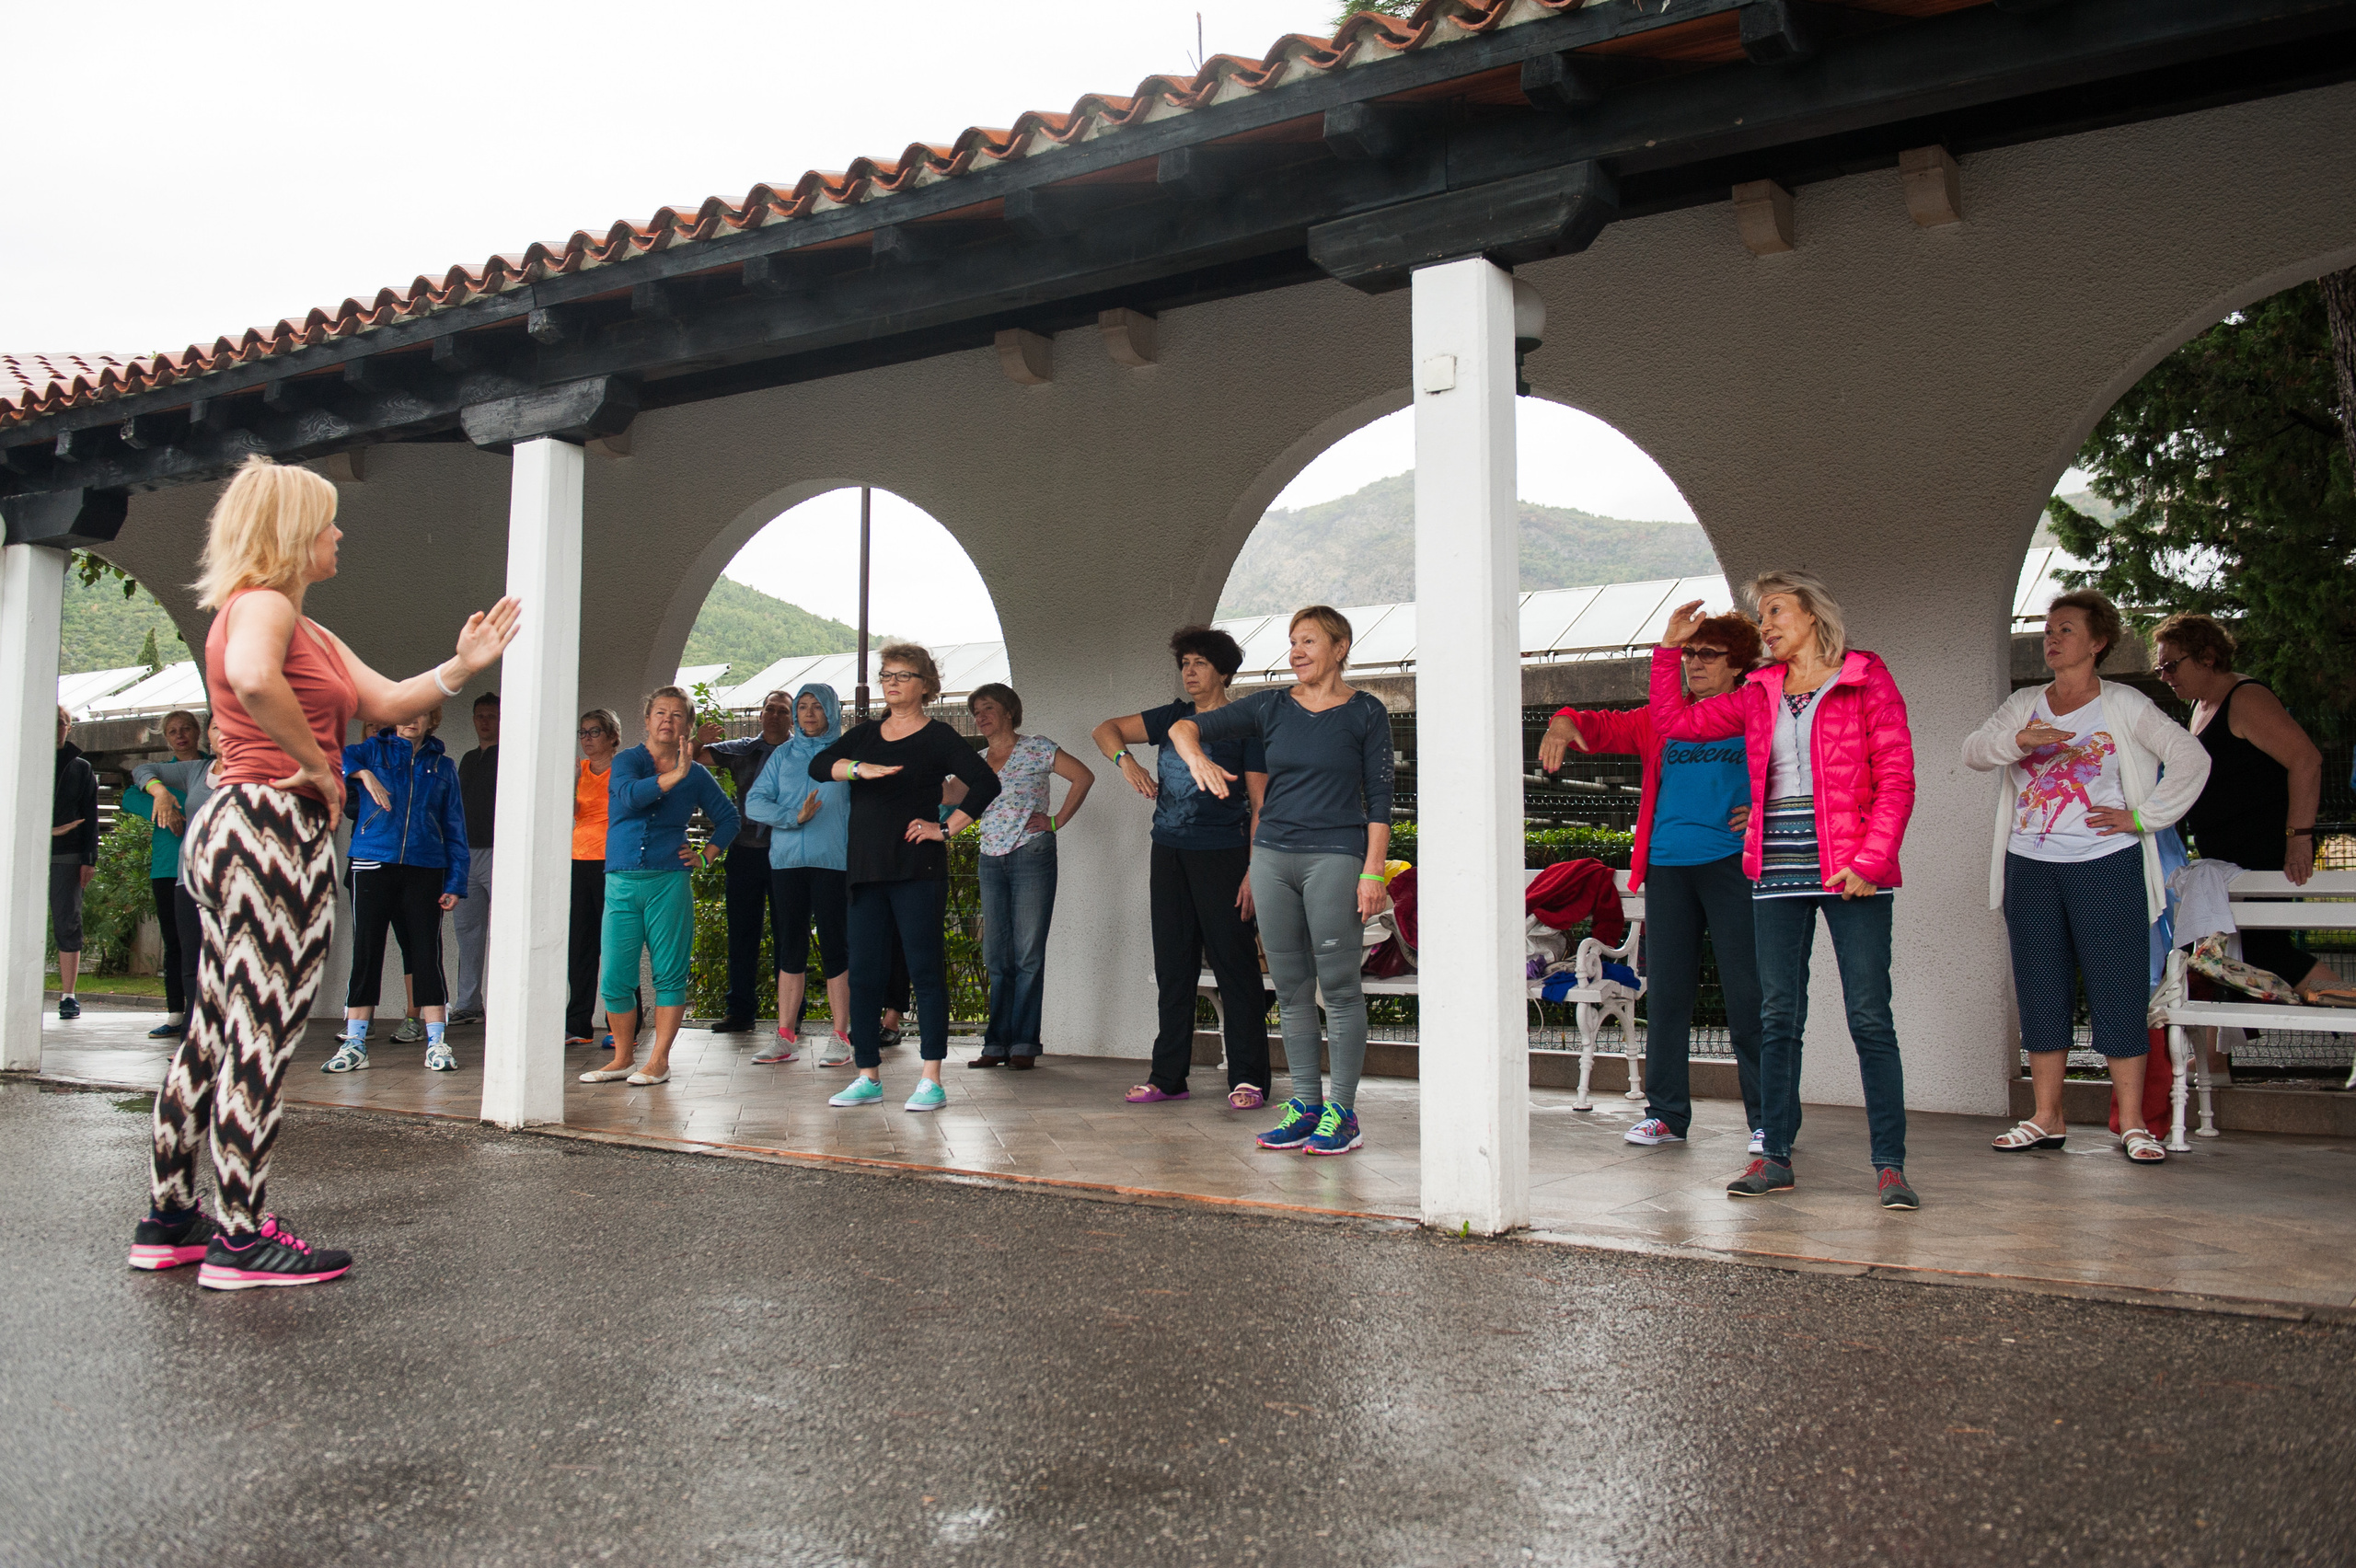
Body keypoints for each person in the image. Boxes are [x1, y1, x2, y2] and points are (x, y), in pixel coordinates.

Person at [133, 455, 518, 1288]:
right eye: (328, 520)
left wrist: (462, 665)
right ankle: (241, 1238)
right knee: (261, 1032)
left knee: (215, 1025)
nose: (339, 532)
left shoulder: (304, 627)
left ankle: (170, 1218)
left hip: (235, 828)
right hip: (271, 829)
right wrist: (315, 763)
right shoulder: (265, 604)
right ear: (292, 532)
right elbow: (251, 681)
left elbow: (388, 700)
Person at [1651, 572, 1920, 1210]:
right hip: (1775, 872)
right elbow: (1673, 723)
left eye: (1775, 612)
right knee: (1777, 1018)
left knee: (1869, 1017)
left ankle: (1890, 1166)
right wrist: (1667, 650)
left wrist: (1873, 859)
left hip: (1852, 872)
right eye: (1762, 614)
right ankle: (1773, 1156)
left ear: (1813, 616)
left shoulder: (1865, 677)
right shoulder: (1759, 690)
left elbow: (1896, 776)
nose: (1765, 626)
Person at [1964, 590, 2209, 1163]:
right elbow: (1974, 751)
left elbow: (2192, 758)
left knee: (2116, 985)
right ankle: (2047, 1117)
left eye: (2067, 629)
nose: (2052, 638)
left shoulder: (2123, 703)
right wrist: (2019, 740)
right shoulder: (2025, 704)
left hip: (2106, 863)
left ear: (2098, 642)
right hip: (2029, 865)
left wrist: (2143, 818)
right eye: (2049, 629)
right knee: (2040, 986)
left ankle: (2133, 1125)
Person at [1167, 606, 1393, 1157]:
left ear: (1340, 647)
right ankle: (1306, 1108)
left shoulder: (1366, 711)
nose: (1296, 652)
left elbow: (1382, 798)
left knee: (1338, 989)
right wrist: (1195, 758)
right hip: (1272, 857)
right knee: (1290, 990)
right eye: (1292, 642)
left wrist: (1373, 870)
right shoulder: (1270, 705)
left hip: (1335, 857)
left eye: (1308, 641)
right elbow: (1182, 726)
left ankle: (1343, 1114)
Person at [1539, 612, 1767, 1152]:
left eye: (1708, 654)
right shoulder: (1662, 719)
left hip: (1733, 867)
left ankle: (1768, 1121)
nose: (1694, 664)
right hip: (1667, 869)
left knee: (1749, 996)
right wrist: (1562, 723)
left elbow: (1796, 768)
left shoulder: (1756, 712)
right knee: (1666, 995)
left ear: (1738, 665)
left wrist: (1764, 809)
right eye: (1688, 654)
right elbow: (1599, 724)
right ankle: (1665, 1115)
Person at [808, 644, 1001, 1111]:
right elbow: (818, 766)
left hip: (918, 869)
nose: (892, 682)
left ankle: (931, 1079)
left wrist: (946, 829)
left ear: (926, 684)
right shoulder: (864, 734)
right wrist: (857, 769)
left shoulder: (938, 736)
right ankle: (867, 1076)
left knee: (925, 970)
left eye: (903, 675)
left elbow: (987, 782)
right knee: (864, 975)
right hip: (866, 870)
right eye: (887, 674)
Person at [1092, 626, 1272, 1108]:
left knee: (1235, 968)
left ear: (1224, 673)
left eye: (1200, 664)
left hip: (1225, 857)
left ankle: (1249, 1078)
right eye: (1185, 664)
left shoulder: (1245, 726)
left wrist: (1254, 871)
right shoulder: (1172, 717)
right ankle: (1168, 1077)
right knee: (1174, 968)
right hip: (1169, 853)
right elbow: (1105, 729)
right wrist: (1126, 763)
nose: (1189, 672)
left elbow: (1261, 804)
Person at [2154, 613, 2336, 1000]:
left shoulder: (2246, 698)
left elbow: (2306, 760)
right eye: (2160, 669)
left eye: (2171, 665)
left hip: (2261, 852)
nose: (2165, 676)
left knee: (2266, 952)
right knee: (2226, 960)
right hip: (2225, 859)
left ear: (2207, 657)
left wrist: (2299, 838)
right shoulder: (2201, 705)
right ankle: (2226, 1049)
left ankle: (2348, 1000)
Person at [579, 687, 739, 1088]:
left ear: (689, 725)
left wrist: (705, 856)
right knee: (615, 977)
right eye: (660, 713)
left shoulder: (696, 774)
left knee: (669, 975)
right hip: (620, 880)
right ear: (647, 719)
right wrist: (674, 775)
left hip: (669, 881)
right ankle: (622, 1058)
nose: (668, 720)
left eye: (677, 714)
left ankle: (659, 1061)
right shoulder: (628, 760)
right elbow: (631, 797)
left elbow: (729, 818)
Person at [949, 683, 1093, 1069]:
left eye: (988, 708)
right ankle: (996, 1045)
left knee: (1028, 954)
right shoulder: (978, 761)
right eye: (976, 711)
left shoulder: (1037, 747)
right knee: (997, 956)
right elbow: (949, 795)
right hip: (990, 858)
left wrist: (1056, 821)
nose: (980, 716)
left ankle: (1024, 1045)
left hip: (1032, 853)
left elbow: (1083, 776)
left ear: (1009, 711)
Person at [323, 707, 470, 1074]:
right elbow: (329, 757)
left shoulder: (443, 766)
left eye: (420, 714)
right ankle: (355, 1043)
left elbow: (455, 827)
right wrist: (362, 772)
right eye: (404, 712)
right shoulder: (373, 750)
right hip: (372, 859)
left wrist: (455, 881)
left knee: (426, 952)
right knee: (366, 949)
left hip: (426, 865)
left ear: (432, 721)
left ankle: (437, 1042)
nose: (410, 720)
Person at [742, 684, 854, 1066]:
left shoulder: (846, 755)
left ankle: (841, 1037)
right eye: (802, 706)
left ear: (831, 712)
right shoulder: (782, 755)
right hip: (787, 863)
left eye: (816, 707)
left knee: (836, 947)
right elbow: (755, 802)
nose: (808, 713)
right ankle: (785, 1035)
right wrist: (794, 817)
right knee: (790, 947)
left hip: (833, 863)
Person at [697, 688, 795, 1032]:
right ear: (761, 714)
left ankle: (790, 1016)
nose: (774, 715)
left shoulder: (801, 754)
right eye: (770, 709)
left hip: (787, 854)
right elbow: (693, 758)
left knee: (788, 936)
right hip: (744, 853)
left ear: (792, 718)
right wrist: (698, 738)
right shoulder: (742, 750)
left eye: (782, 711)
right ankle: (739, 1012)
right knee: (741, 935)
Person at [123, 709, 207, 1039]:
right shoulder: (159, 776)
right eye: (172, 731)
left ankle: (207, 1013)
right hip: (167, 866)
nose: (180, 735)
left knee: (207, 942)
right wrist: (164, 807)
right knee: (175, 941)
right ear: (166, 738)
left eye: (186, 728)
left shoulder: (208, 768)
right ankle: (177, 1013)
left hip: (204, 867)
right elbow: (130, 796)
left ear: (198, 731)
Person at [565, 709, 638, 1049]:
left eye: (594, 731)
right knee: (580, 945)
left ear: (612, 736)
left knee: (617, 943)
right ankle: (577, 1024)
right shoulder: (577, 771)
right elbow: (564, 810)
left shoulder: (623, 769)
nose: (587, 738)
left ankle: (623, 1026)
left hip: (614, 862)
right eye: (582, 732)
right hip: (579, 862)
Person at [448, 690, 498, 1024]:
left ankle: (504, 1002)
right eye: (480, 716)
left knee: (505, 930)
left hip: (498, 852)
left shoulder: (508, 757)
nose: (485, 722)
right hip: (466, 854)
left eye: (491, 716)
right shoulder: (467, 759)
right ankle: (468, 1003)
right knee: (467, 931)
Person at [51, 706, 98, 1020]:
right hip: (24, 852)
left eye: (60, 722)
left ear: (69, 727)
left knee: (68, 921)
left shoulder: (81, 768)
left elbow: (90, 816)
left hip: (67, 853)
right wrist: (47, 830)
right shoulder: (23, 759)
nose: (54, 728)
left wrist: (89, 859)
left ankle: (68, 995)